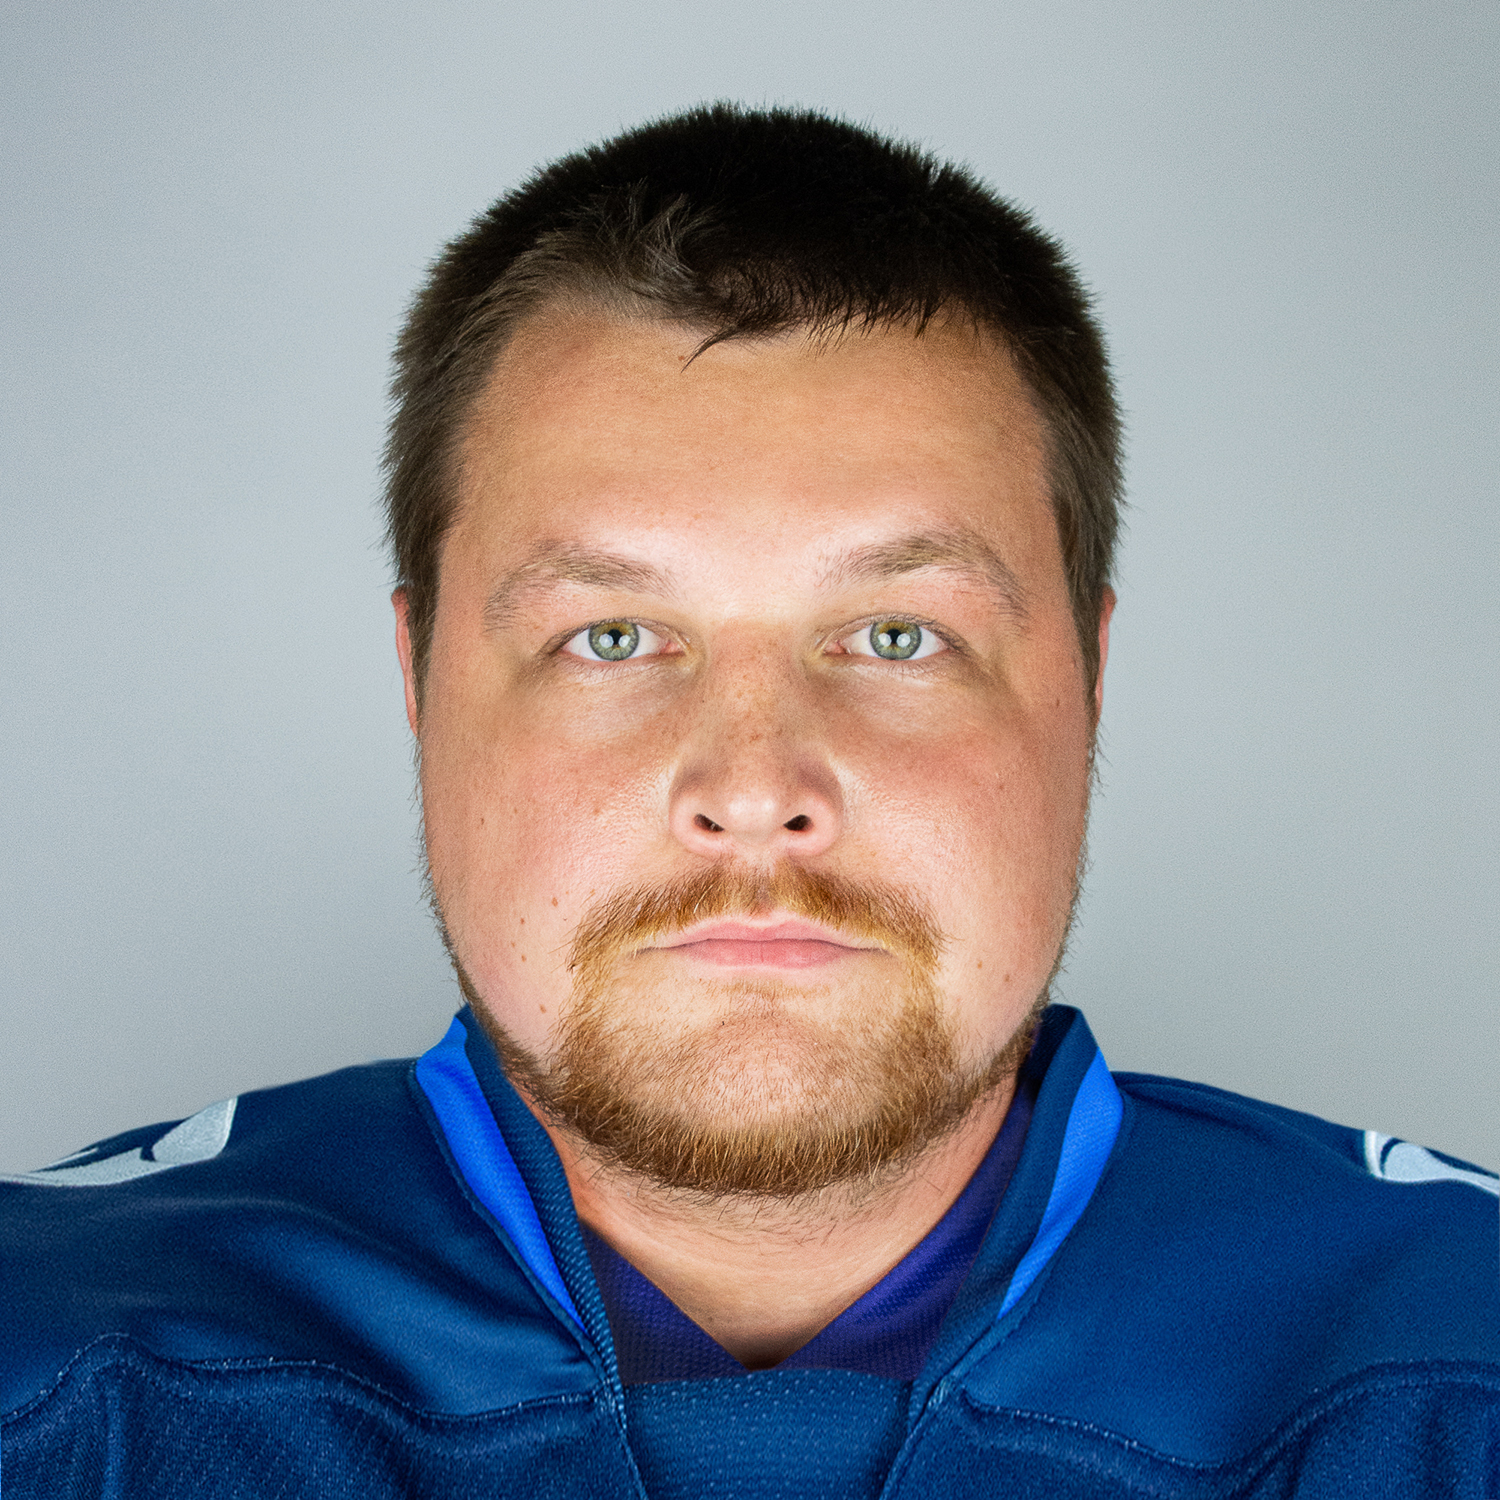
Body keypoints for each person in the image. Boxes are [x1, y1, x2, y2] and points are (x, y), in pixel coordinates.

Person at [2, 104, 1495, 1499]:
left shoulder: (1451, 1379)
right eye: (611, 638)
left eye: (897, 637)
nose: (756, 791)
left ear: (1089, 681)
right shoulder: (55, 1376)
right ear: (420, 678)